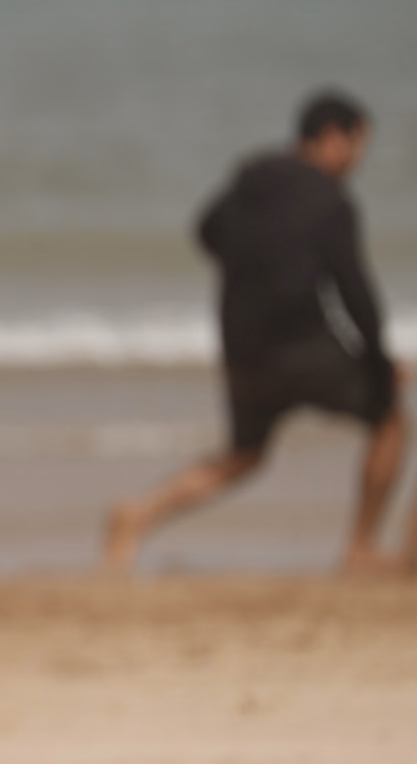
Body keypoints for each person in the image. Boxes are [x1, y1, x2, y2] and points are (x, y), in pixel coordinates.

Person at [105, 91, 406, 575]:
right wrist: (380, 364)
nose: (357, 160)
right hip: (303, 348)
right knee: (390, 420)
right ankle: (361, 548)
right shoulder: (331, 201)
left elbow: (205, 230)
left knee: (244, 455)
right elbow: (356, 292)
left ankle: (136, 514)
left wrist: (253, 268)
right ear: (333, 139)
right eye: (357, 146)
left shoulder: (251, 178)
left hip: (243, 349)